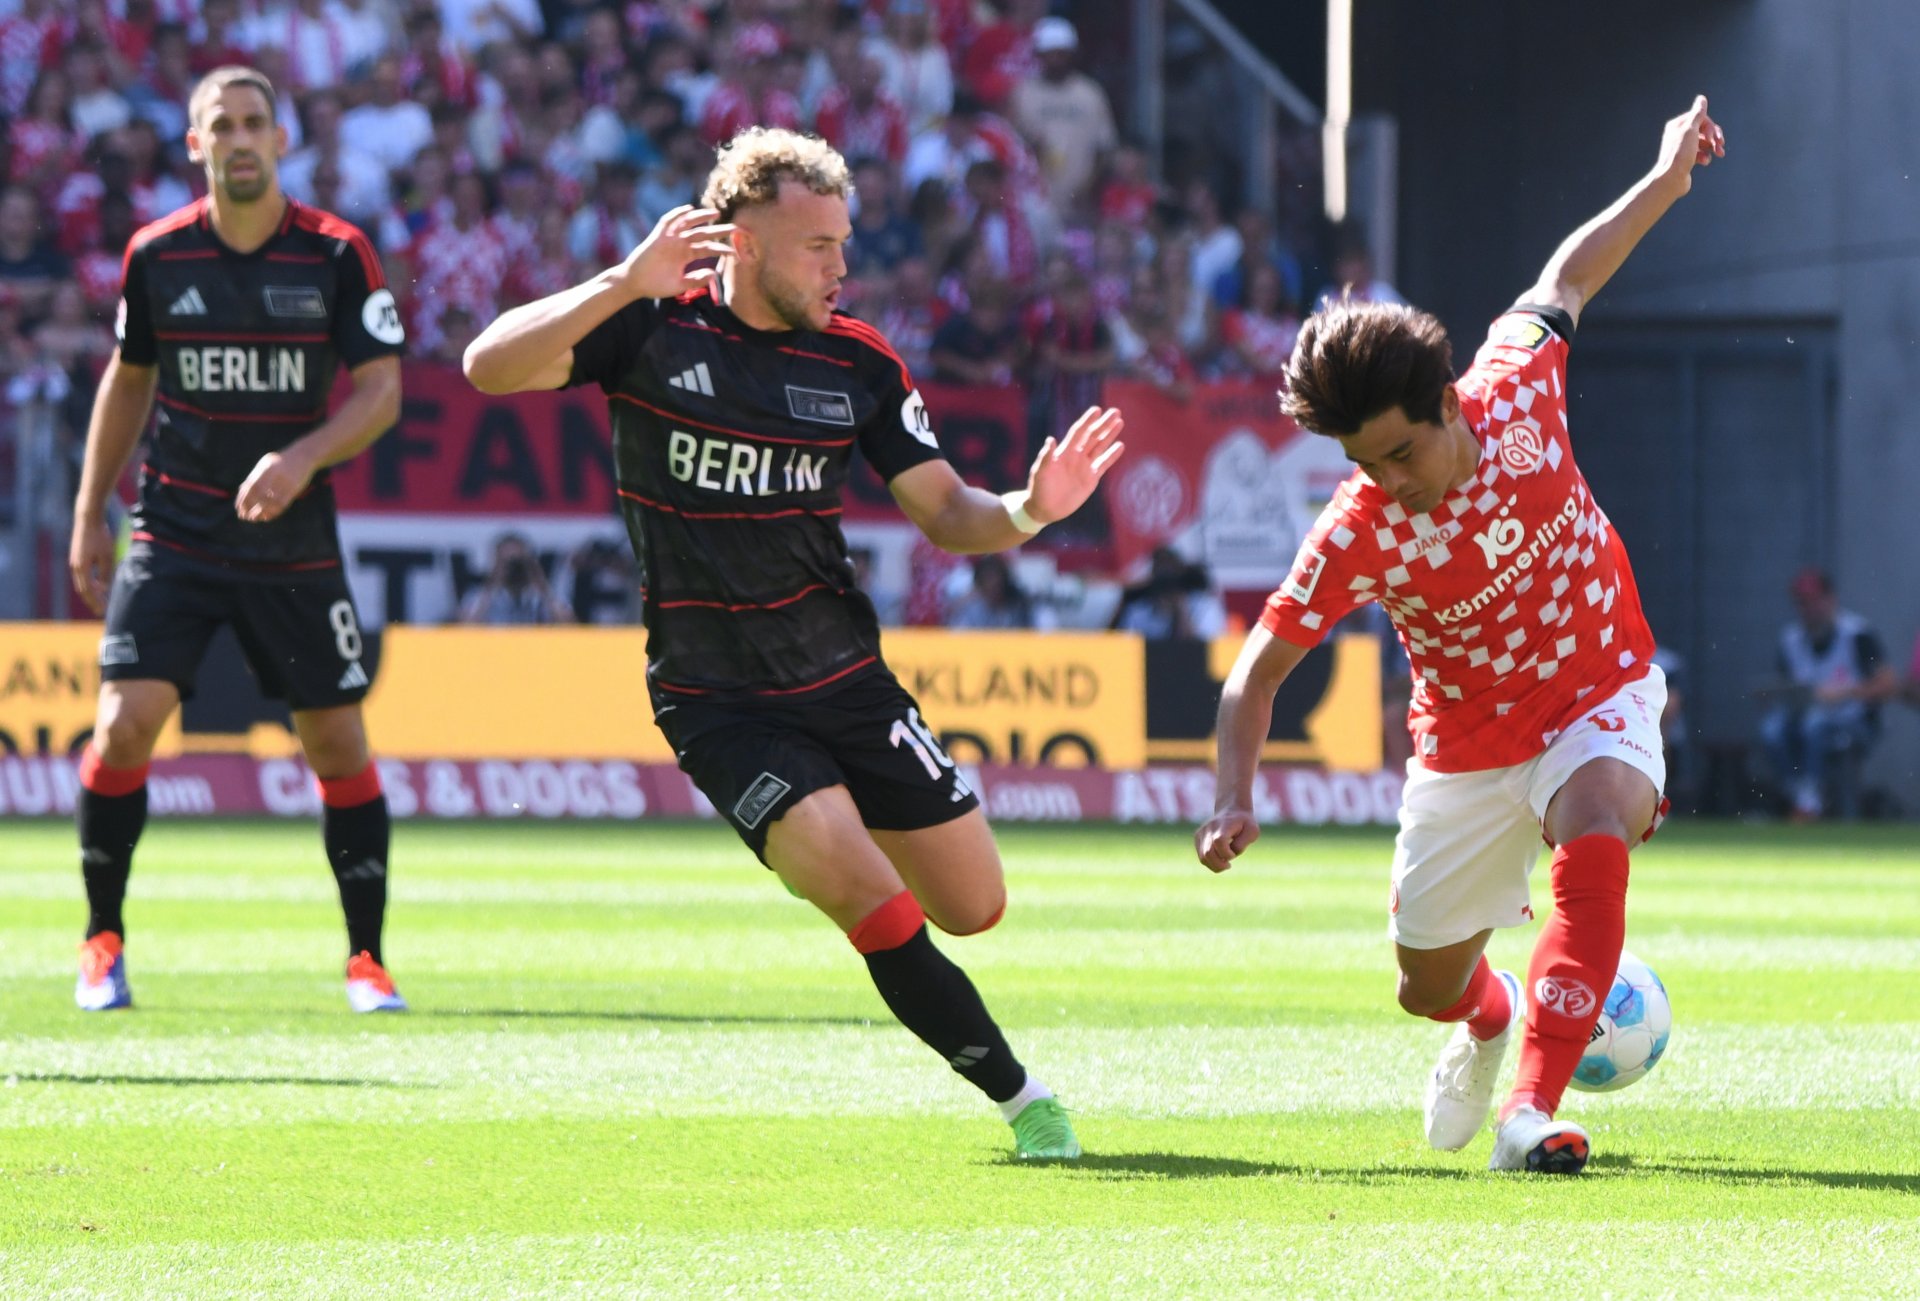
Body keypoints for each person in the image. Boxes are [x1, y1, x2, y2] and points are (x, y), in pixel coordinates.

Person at [464, 126, 1125, 1161]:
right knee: (862, 884)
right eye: (818, 244)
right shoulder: (646, 329)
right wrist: (615, 282)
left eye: (843, 241)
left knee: (976, 904)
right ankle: (1023, 1096)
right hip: (717, 700)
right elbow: (485, 366)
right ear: (745, 242)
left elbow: (950, 513)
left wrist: (1031, 509)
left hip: (847, 680)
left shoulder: (857, 361)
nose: (841, 265)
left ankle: (839, 828)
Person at [1195, 98, 1727, 1175]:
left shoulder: (1519, 384)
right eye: (1363, 462)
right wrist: (1230, 795)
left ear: (1447, 401)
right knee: (1423, 982)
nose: (1388, 480)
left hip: (1601, 686)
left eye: (1399, 451)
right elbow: (1257, 671)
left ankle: (1530, 1110)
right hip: (1466, 747)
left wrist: (1667, 176)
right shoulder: (1358, 531)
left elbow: (1567, 275)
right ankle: (1491, 1018)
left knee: (1599, 822)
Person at [65, 66, 408, 1014]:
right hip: (173, 528)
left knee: (336, 743)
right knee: (122, 725)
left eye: (257, 122)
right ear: (195, 144)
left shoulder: (338, 255)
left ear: (282, 139)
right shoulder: (158, 254)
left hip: (291, 543)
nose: (242, 139)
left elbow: (383, 395)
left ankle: (366, 960)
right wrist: (93, 504)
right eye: (223, 125)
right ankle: (102, 943)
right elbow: (128, 381)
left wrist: (301, 457)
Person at [1758, 567, 1898, 821]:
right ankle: (1799, 794)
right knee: (1772, 729)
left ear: (1830, 599)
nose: (1809, 608)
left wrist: (1844, 693)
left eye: (1814, 600)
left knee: (1816, 724)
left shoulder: (1857, 634)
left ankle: (1810, 800)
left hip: (1854, 720)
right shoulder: (1791, 638)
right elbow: (1787, 686)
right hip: (1802, 717)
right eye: (1802, 602)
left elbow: (1888, 684)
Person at [457, 532, 574, 625]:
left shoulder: (544, 595)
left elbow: (569, 624)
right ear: (495, 562)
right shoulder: (478, 594)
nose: (514, 568)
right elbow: (465, 625)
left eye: (518, 561)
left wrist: (541, 585)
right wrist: (493, 584)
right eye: (506, 562)